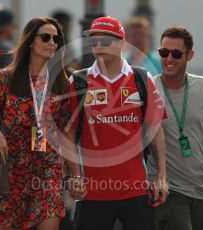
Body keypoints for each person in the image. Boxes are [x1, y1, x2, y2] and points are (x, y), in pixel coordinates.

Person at [67, 16, 168, 230]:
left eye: (105, 41)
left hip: (136, 191)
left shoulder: (142, 78)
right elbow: (68, 132)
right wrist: (75, 176)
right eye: (94, 42)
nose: (98, 47)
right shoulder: (77, 81)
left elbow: (156, 130)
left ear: (122, 43)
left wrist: (161, 177)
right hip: (93, 192)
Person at [0, 17, 71, 229]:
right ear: (31, 41)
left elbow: (68, 132)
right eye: (46, 37)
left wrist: (76, 174)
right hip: (12, 167)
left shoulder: (62, 82)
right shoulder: (7, 77)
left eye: (56, 39)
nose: (52, 43)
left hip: (49, 168)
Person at [148, 26, 203, 230]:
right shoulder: (149, 88)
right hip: (166, 189)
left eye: (176, 53)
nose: (168, 59)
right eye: (163, 52)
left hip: (200, 189)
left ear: (190, 55)